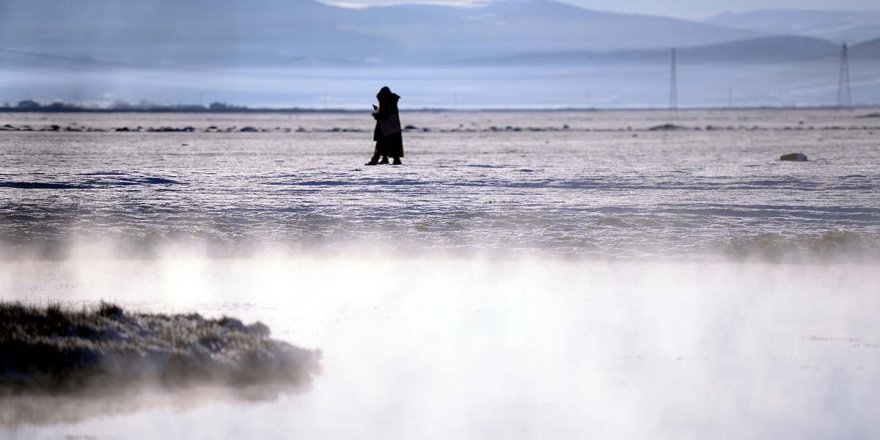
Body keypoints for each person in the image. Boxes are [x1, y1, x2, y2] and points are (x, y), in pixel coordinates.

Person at [366, 86, 404, 165]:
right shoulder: (392, 101)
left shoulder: (385, 100)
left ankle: (375, 160)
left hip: (385, 127)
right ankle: (390, 159)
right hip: (394, 127)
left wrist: (376, 115)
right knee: (393, 144)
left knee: (381, 144)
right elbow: (386, 111)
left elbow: (385, 114)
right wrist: (378, 109)